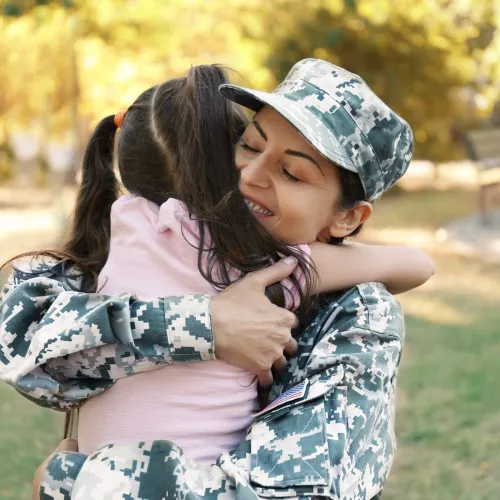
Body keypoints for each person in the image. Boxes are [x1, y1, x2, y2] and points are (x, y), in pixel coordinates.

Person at [0, 59, 429, 499]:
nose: (250, 175)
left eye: (291, 172)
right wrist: (205, 323)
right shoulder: (193, 244)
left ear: (348, 217)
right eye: (248, 145)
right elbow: (25, 347)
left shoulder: (359, 315)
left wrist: (69, 485)